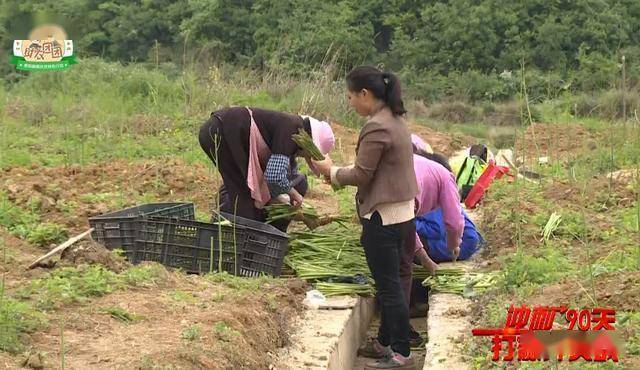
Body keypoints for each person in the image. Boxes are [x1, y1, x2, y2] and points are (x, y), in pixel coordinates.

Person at [311, 66, 417, 369]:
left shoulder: (376, 126)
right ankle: (386, 341)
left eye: (350, 96)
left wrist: (330, 170)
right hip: (403, 215)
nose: (350, 103)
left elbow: (361, 174)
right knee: (393, 281)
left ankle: (401, 353)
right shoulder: (396, 120)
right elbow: (375, 169)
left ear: (365, 94)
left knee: (389, 286)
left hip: (383, 219)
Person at [198, 107, 334, 232]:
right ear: (310, 141)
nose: (305, 157)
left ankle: (232, 237)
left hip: (220, 131)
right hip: (221, 132)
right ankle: (226, 241)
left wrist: (293, 209)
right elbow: (274, 177)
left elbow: (274, 184)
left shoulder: (291, 129)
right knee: (244, 202)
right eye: (309, 154)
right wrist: (294, 195)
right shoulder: (292, 129)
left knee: (243, 195)